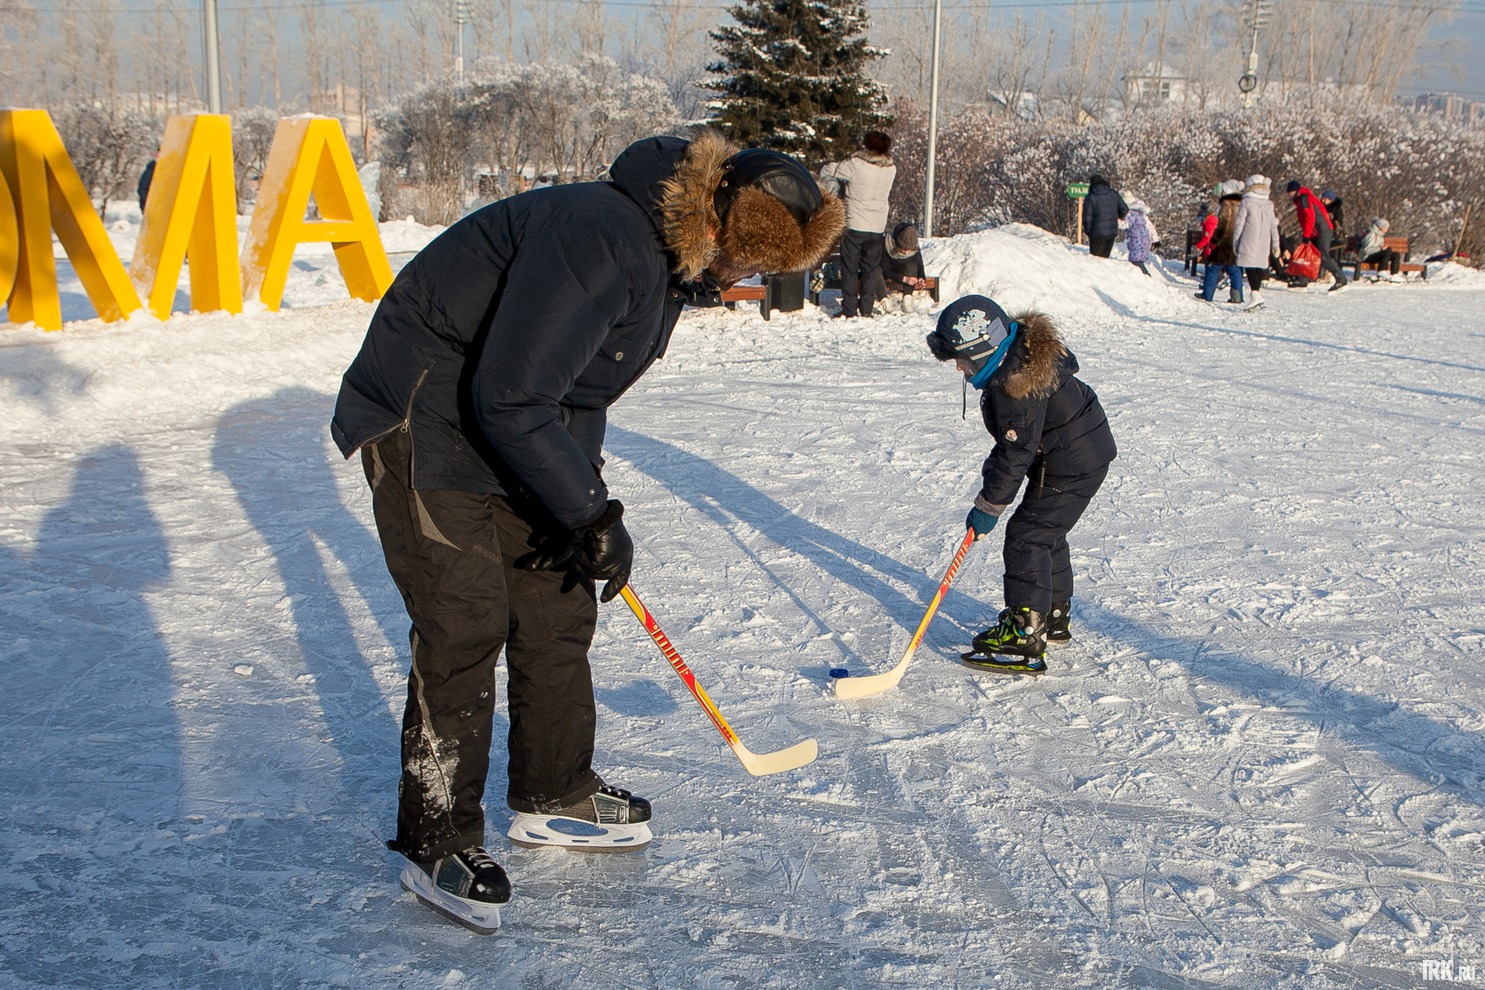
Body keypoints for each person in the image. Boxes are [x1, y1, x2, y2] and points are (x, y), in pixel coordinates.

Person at [329, 129, 844, 931]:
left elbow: (579, 392)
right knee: (464, 621)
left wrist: (583, 505)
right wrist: (589, 512)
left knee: (557, 604)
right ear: (713, 216)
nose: (741, 278)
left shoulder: (667, 262)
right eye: (742, 259)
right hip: (428, 418)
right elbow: (511, 394)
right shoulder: (605, 237)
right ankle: (437, 837)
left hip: (510, 423)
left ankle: (552, 790)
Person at [924, 295, 1117, 674]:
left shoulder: (1016, 386)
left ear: (982, 350)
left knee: (1028, 535)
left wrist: (988, 508)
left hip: (1070, 463)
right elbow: (1012, 445)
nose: (959, 368)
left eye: (961, 358)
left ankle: (1025, 632)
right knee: (1046, 532)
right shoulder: (1018, 359)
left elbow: (1016, 453)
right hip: (1079, 453)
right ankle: (1053, 616)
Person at [820, 131, 897, 318]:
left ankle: (849, 309)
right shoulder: (891, 168)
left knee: (850, 268)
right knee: (870, 269)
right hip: (877, 225)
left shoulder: (856, 165)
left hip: (855, 222)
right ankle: (866, 309)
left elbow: (829, 170)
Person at [1285, 179, 1349, 292]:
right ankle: (1302, 280)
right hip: (1316, 230)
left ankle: (1341, 280)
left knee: (1322, 256)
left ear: (1295, 191)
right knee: (1308, 254)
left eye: (1290, 192)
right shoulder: (1302, 198)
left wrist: (1306, 235)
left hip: (1321, 230)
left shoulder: (1304, 198)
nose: (1289, 195)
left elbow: (1310, 217)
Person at [1230, 173, 1282, 311]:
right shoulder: (1269, 205)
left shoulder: (1246, 203)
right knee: (1257, 266)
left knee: (1250, 267)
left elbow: (1239, 224)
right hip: (1264, 241)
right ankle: (1256, 295)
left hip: (1248, 240)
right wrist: (1276, 244)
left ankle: (1255, 295)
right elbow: (1273, 226)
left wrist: (1235, 242)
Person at [1194, 179, 1245, 303]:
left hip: (1223, 244)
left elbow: (1222, 226)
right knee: (1234, 270)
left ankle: (1207, 294)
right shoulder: (1241, 205)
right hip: (1235, 242)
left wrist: (1213, 242)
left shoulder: (1226, 205)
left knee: (1213, 268)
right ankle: (1237, 296)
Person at [876, 220, 928, 297]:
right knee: (876, 270)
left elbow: (919, 264)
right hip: (887, 273)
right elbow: (884, 268)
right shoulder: (886, 244)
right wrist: (903, 279)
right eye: (903, 249)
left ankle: (908, 297)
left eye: (909, 250)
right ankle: (884, 299)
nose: (906, 252)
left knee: (912, 266)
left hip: (904, 271)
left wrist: (921, 278)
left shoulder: (914, 246)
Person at [1082, 173, 1127, 258]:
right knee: (1105, 259)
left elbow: (1087, 217)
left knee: (1096, 260)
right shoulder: (1113, 194)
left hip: (1096, 232)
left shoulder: (1091, 197)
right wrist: (1117, 217)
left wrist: (1088, 231)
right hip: (1112, 231)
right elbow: (1125, 209)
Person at [1123, 198, 1156, 275]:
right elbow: (1151, 227)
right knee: (1138, 258)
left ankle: (1146, 275)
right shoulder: (1143, 215)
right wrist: (1155, 239)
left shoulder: (1131, 214)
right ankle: (1142, 274)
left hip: (1136, 240)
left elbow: (1126, 224)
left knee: (1136, 260)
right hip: (1144, 241)